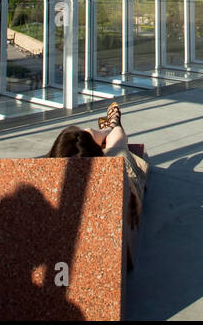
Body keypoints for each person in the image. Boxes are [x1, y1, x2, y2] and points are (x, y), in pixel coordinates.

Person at [46, 102, 150, 263]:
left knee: (81, 135)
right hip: (112, 173)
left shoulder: (49, 176)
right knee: (117, 143)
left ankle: (106, 129)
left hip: (101, 170)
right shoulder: (114, 177)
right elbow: (135, 207)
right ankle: (113, 126)